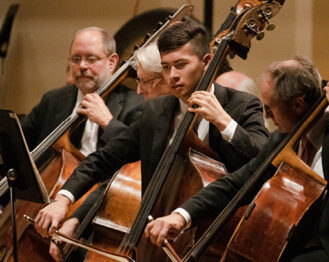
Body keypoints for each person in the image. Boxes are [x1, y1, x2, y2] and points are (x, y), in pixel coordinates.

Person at [34, 19, 269, 245]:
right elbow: (104, 159)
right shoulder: (156, 111)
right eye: (166, 67)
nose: (172, 75)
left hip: (211, 238)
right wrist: (63, 199)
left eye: (181, 65)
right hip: (152, 237)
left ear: (206, 62)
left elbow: (263, 163)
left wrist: (224, 122)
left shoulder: (242, 105)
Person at [145, 57, 329, 262]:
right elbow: (237, 184)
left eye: (270, 108)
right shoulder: (282, 139)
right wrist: (181, 216)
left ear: (297, 104)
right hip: (290, 248)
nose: (267, 116)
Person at [47, 42, 171, 261]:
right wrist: (70, 211)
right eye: (76, 59)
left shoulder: (139, 107)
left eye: (144, 81)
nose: (139, 89)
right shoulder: (153, 115)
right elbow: (110, 169)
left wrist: (107, 122)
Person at [21, 27, 143, 156]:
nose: (82, 66)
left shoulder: (136, 104)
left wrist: (108, 122)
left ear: (111, 62)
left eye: (90, 59)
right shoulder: (52, 100)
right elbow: (17, 141)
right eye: (76, 59)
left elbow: (139, 152)